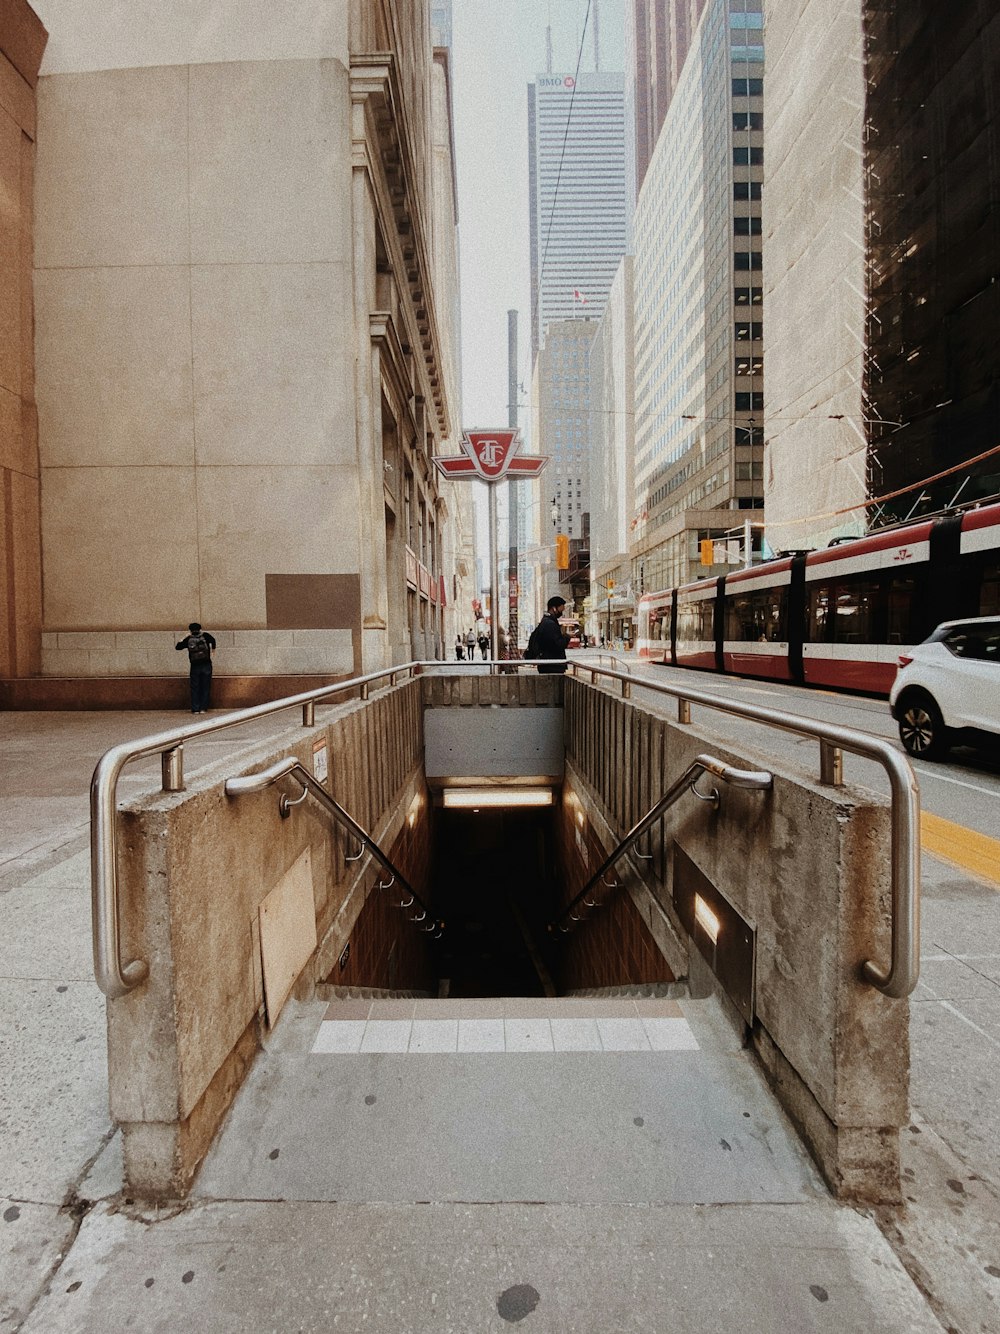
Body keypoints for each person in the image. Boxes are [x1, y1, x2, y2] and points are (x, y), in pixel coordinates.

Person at [176, 622, 216, 713]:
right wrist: (213, 651)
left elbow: (177, 647)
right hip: (206, 664)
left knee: (195, 687)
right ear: (200, 629)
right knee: (205, 686)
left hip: (195, 666)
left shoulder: (189, 639)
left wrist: (183, 637)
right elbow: (213, 640)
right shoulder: (206, 636)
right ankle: (203, 708)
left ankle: (195, 709)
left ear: (190, 630)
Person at [525, 596, 569, 674]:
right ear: (554, 608)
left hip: (548, 664)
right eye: (561, 610)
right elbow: (558, 644)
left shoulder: (546, 622)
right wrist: (566, 636)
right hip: (552, 665)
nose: (561, 613)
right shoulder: (550, 624)